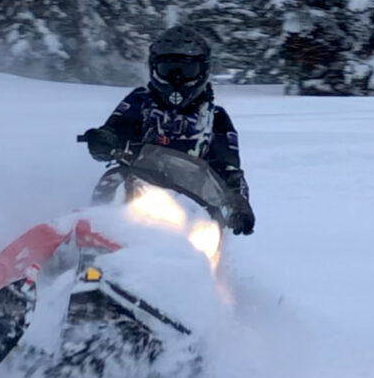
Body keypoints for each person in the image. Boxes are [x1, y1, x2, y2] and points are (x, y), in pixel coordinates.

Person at [81, 25, 255, 235]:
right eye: (168, 69)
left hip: (195, 203)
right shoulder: (139, 101)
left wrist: (240, 202)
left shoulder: (216, 119)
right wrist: (104, 140)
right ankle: (90, 242)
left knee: (212, 238)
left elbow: (231, 170)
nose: (177, 78)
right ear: (155, 68)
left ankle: (212, 267)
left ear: (203, 70)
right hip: (138, 188)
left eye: (186, 70)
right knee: (111, 181)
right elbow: (116, 128)